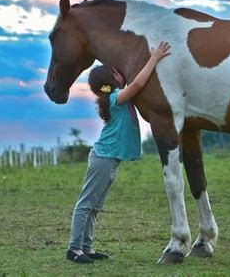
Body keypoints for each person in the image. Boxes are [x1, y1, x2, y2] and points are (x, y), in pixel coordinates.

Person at [66, 42, 171, 264]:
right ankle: (73, 249)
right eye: (116, 72)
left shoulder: (115, 98)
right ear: (110, 81)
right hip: (103, 159)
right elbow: (138, 83)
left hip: (109, 160)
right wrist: (154, 57)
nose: (120, 72)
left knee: (95, 206)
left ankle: (87, 246)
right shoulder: (115, 98)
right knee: (86, 204)